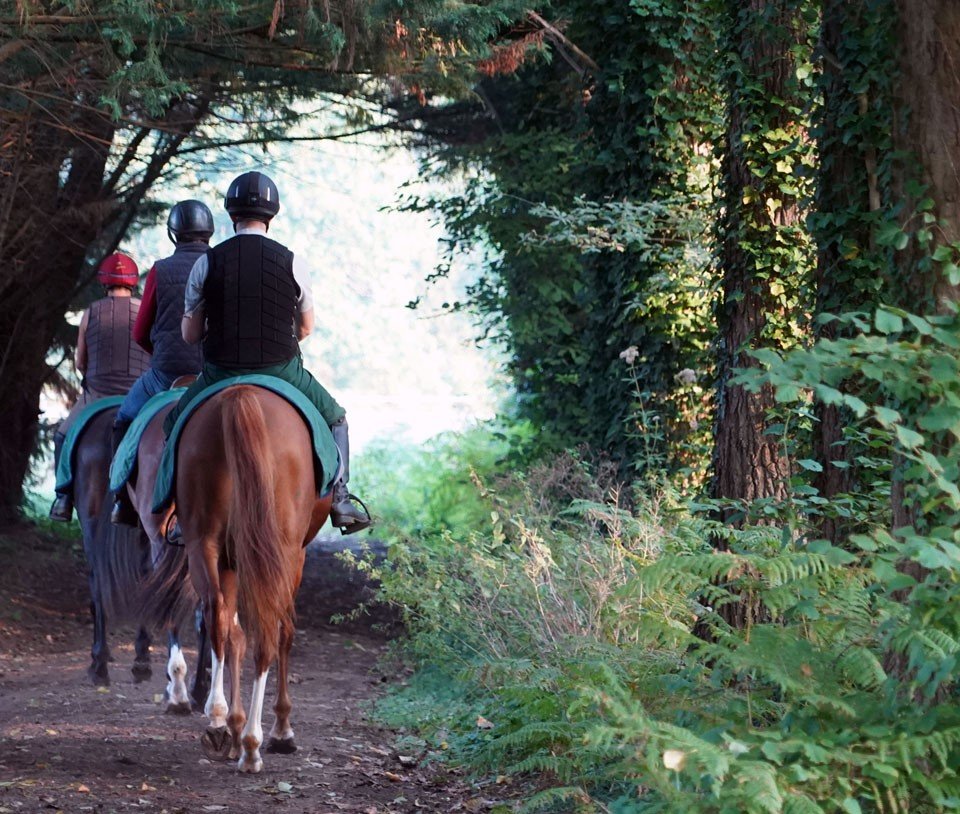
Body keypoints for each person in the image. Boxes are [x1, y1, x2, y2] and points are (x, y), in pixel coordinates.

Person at [163, 170, 371, 534]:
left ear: (231, 215)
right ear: (271, 216)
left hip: (220, 370)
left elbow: (191, 335)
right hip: (281, 368)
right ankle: (340, 498)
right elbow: (305, 328)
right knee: (337, 419)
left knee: (172, 424)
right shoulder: (292, 261)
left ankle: (179, 509)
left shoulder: (206, 263)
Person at [109, 200, 215, 526]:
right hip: (213, 374)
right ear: (209, 231)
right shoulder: (221, 264)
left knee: (124, 419)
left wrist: (158, 354)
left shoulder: (160, 269)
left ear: (173, 233)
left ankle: (121, 500)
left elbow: (141, 331)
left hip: (165, 374)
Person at [49, 252, 151, 521]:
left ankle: (63, 498)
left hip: (97, 395)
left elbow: (80, 362)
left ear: (105, 282)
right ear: (133, 282)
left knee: (62, 436)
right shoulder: (145, 310)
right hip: (138, 396)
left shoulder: (90, 312)